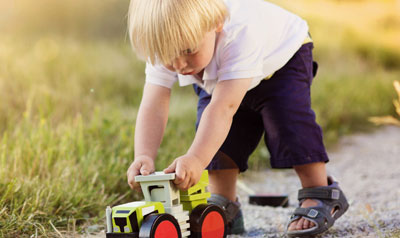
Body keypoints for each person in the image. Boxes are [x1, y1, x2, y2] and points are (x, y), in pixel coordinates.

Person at [126, 0, 349, 236]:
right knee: (215, 134)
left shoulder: (240, 34)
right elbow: (153, 103)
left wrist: (195, 159)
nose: (179, 64)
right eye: (168, 56)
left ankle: (319, 192)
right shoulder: (166, 43)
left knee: (287, 122)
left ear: (216, 24)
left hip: (281, 61)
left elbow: (224, 108)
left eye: (189, 50)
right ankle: (224, 203)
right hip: (222, 77)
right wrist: (143, 154)